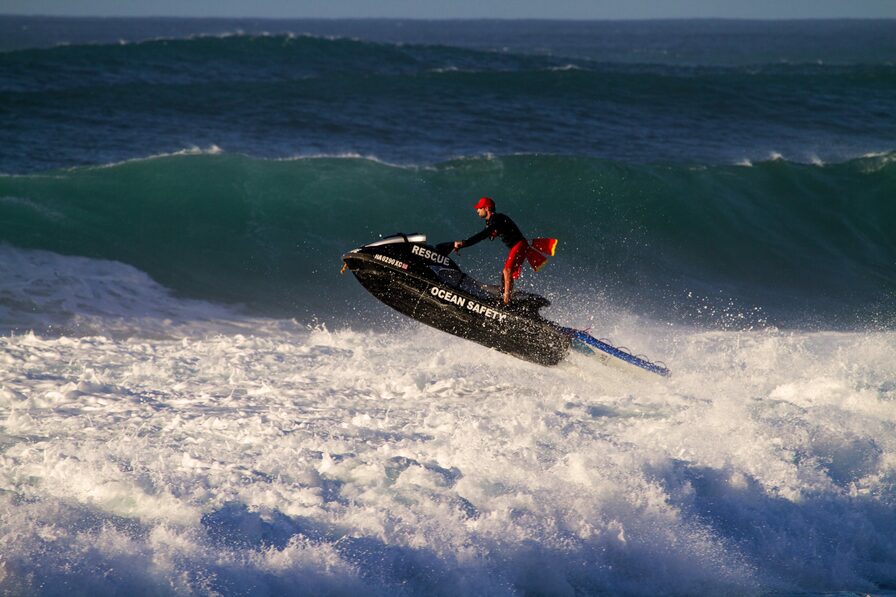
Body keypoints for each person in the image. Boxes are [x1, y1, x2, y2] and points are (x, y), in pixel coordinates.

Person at [453, 197, 556, 305]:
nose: (477, 210)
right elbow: (486, 233)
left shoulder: (497, 219)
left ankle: (506, 302)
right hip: (519, 246)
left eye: (479, 208)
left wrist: (464, 243)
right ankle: (506, 296)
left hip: (519, 245)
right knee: (505, 274)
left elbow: (482, 235)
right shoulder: (491, 221)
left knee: (507, 270)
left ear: (487, 208)